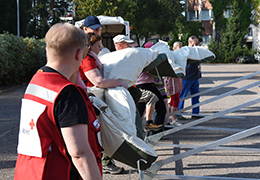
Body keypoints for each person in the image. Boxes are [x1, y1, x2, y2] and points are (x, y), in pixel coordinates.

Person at [14, 23, 102, 180]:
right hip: (60, 173)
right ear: (78, 54)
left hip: (31, 172)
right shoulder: (67, 94)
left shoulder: (37, 80)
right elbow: (80, 153)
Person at [79, 32, 126, 174]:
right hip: (90, 99)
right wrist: (120, 83)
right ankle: (104, 162)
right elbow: (98, 81)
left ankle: (104, 161)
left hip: (91, 98)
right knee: (99, 130)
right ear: (89, 46)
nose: (100, 49)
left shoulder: (92, 58)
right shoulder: (87, 60)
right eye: (98, 46)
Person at [113, 35, 163, 133]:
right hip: (124, 88)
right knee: (137, 111)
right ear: (120, 44)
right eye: (127, 44)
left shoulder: (127, 55)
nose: (129, 46)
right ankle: (145, 125)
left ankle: (146, 125)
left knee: (140, 109)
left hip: (130, 87)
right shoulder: (118, 56)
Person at [132, 41, 166, 131]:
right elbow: (149, 69)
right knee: (140, 111)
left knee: (161, 109)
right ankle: (143, 126)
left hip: (151, 84)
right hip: (142, 85)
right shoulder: (139, 57)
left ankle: (156, 131)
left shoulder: (146, 56)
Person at [177, 36, 203, 120]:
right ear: (191, 42)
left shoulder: (196, 51)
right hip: (187, 77)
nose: (197, 44)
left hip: (195, 77)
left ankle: (196, 113)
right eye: (196, 42)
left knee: (196, 96)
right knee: (182, 96)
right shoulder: (186, 50)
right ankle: (178, 113)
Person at [163, 41, 183, 126]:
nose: (181, 49)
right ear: (175, 48)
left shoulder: (178, 55)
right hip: (172, 80)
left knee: (175, 100)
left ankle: (171, 119)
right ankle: (173, 119)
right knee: (174, 100)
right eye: (179, 47)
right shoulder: (172, 56)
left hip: (177, 79)